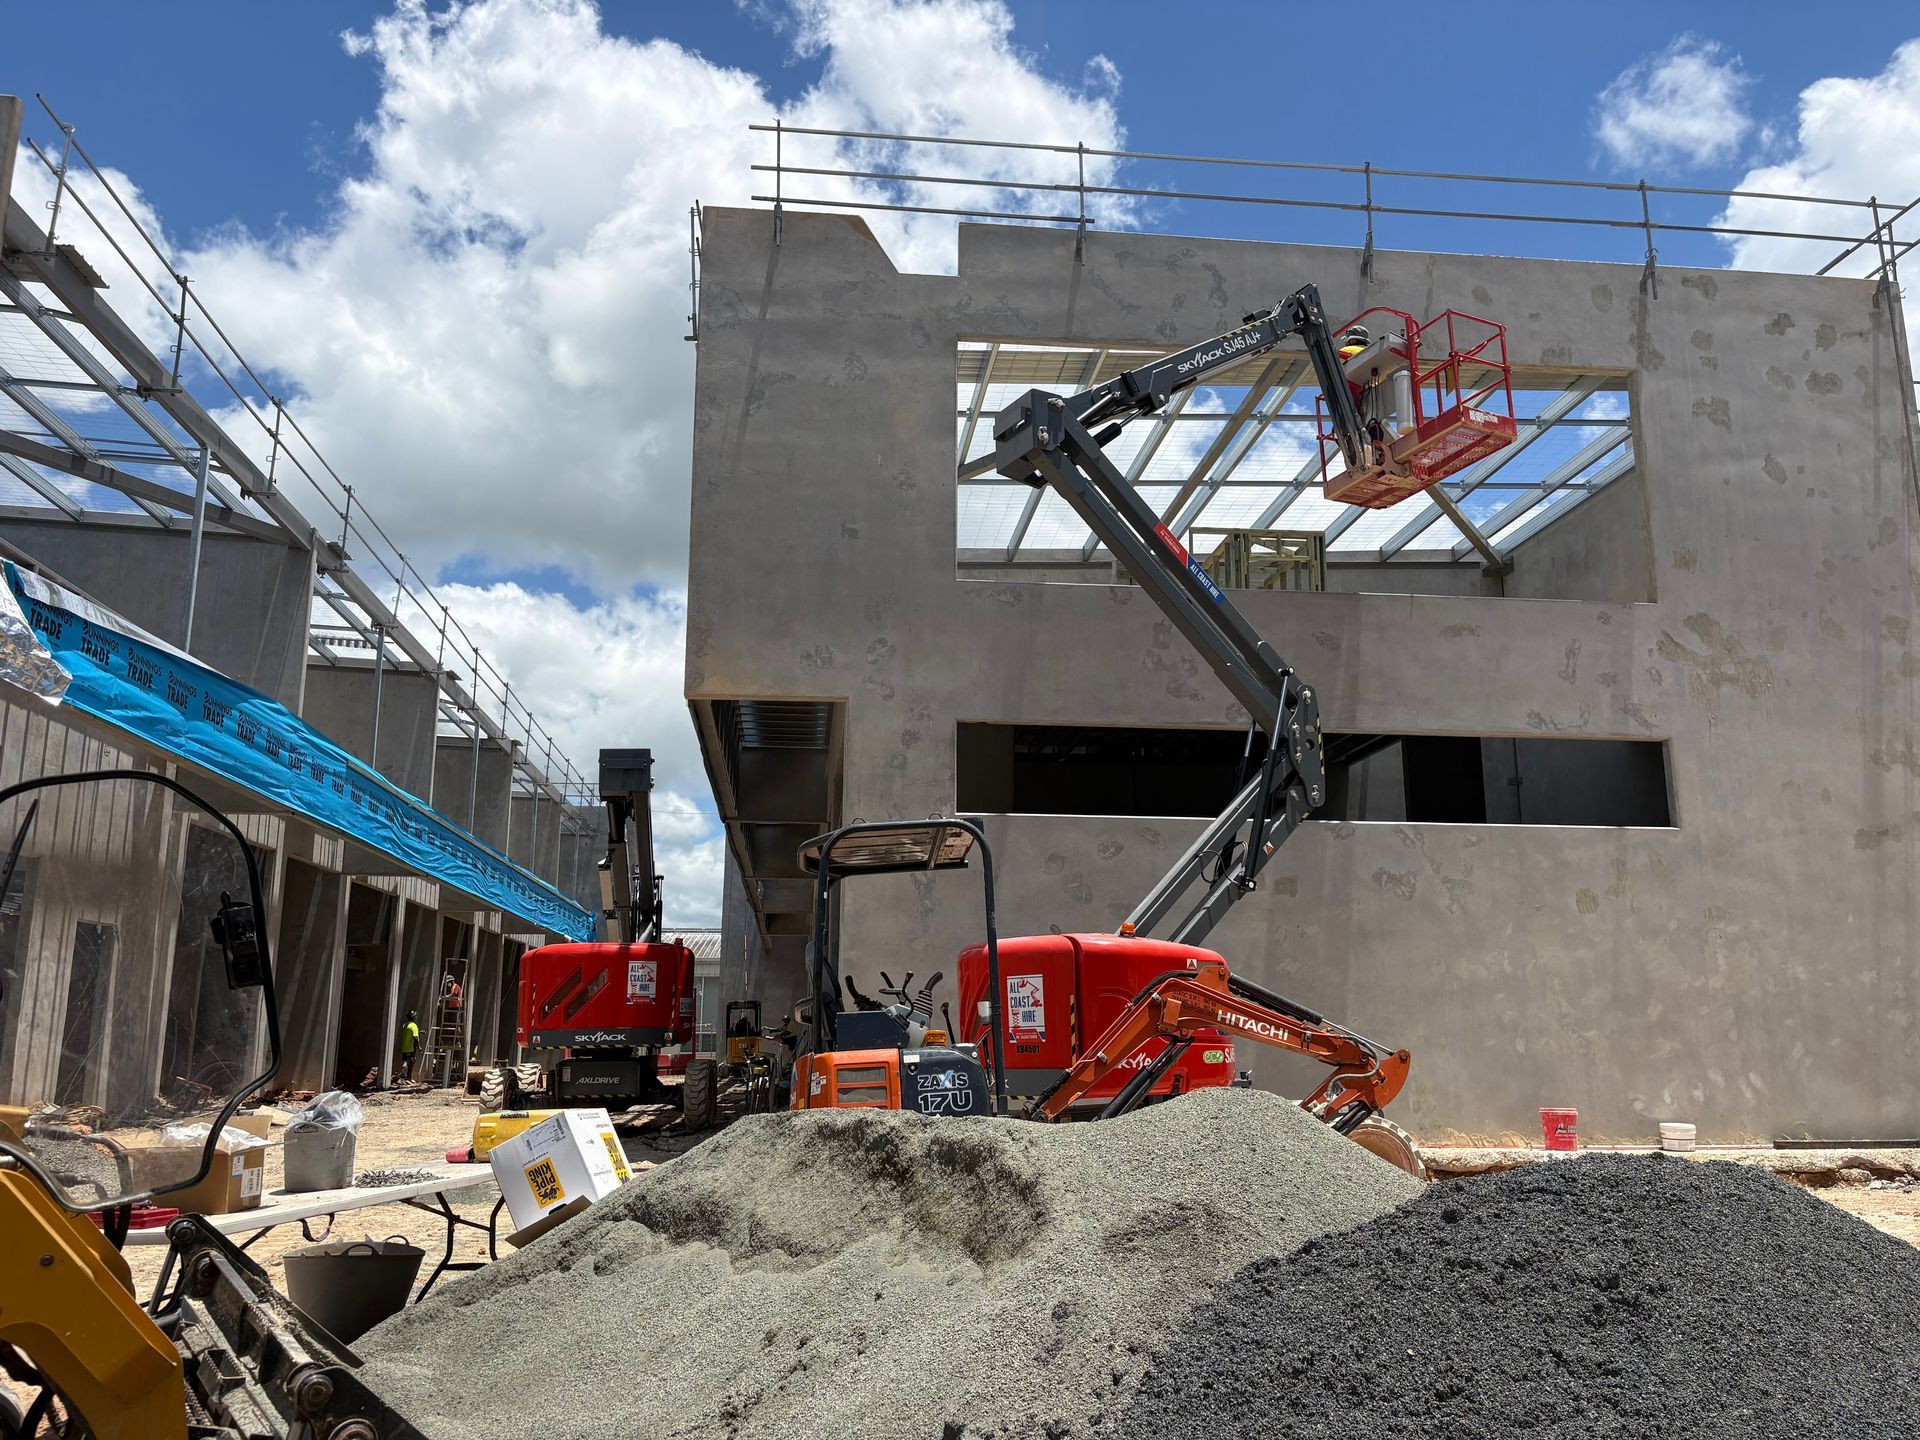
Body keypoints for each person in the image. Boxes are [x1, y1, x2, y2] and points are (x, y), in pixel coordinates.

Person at [398, 1009, 420, 1083]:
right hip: (411, 1048)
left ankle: (408, 1077)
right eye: (415, 1016)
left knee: (411, 1060)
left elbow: (409, 1032)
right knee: (407, 1062)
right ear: (413, 1018)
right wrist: (418, 1047)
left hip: (405, 1047)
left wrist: (420, 1031)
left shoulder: (405, 1025)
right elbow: (415, 1037)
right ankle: (403, 1077)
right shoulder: (414, 1026)